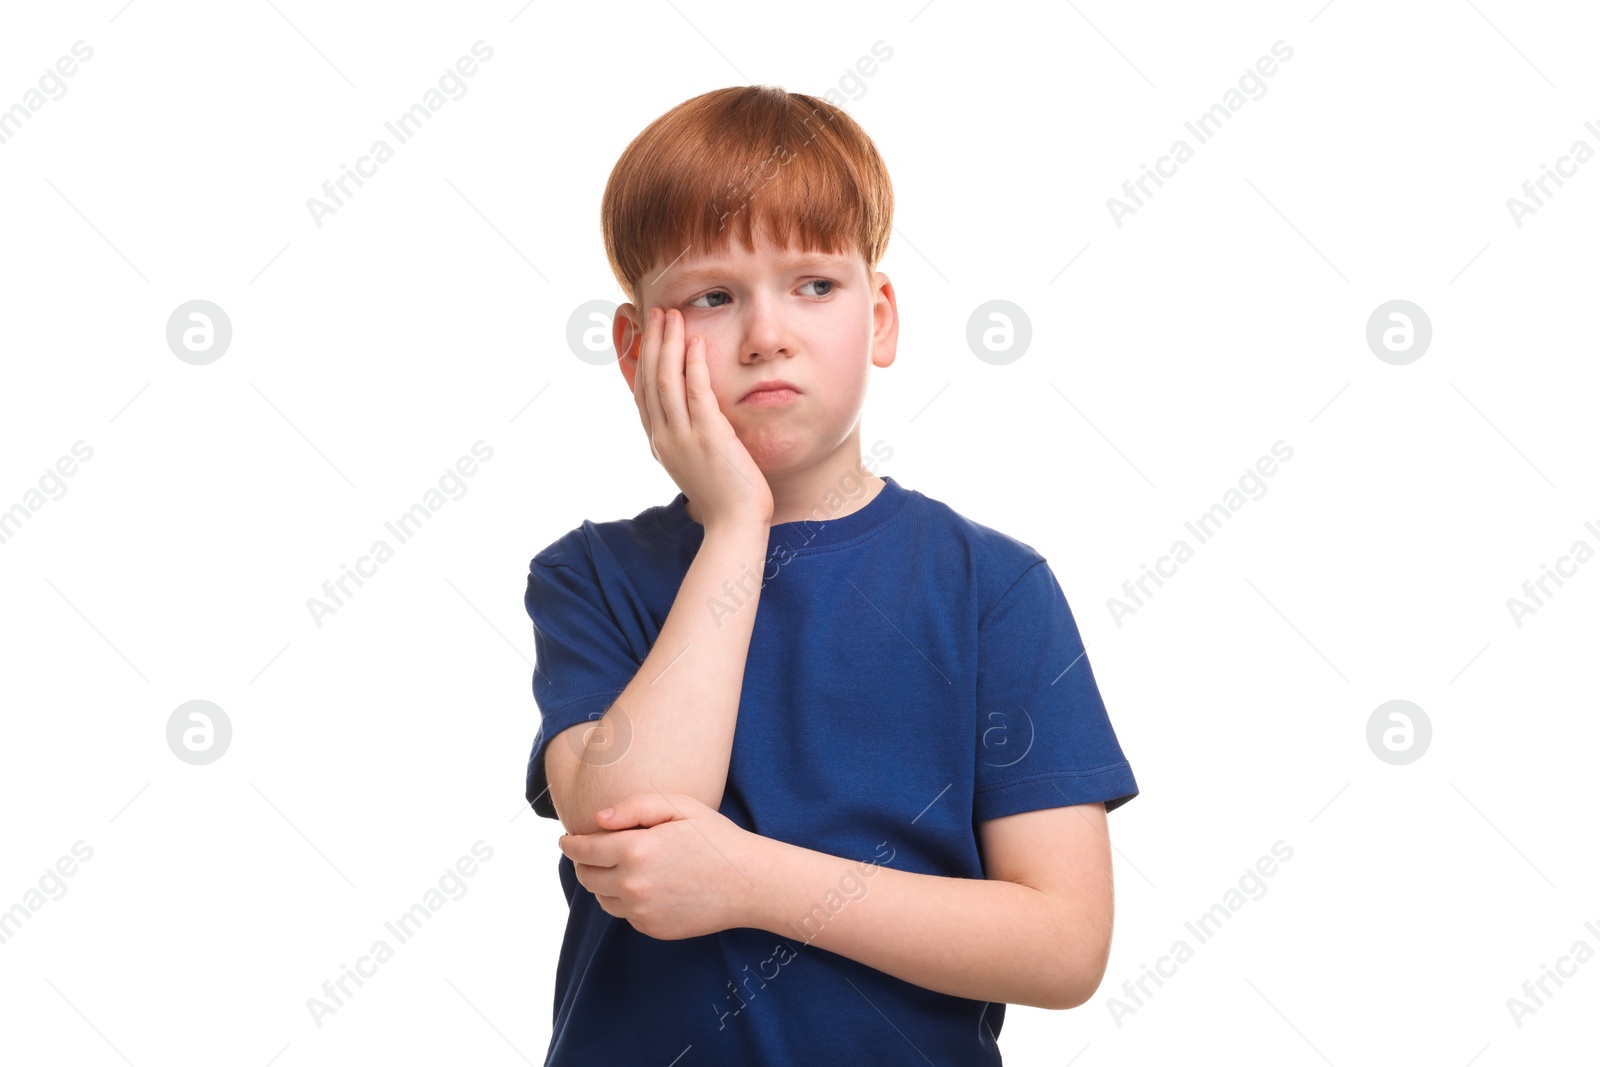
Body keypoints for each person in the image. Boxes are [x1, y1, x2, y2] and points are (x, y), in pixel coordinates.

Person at [522, 84, 1138, 1065]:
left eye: (813, 283)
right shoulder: (593, 574)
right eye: (712, 296)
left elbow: (1063, 943)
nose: (768, 332)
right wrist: (735, 523)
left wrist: (750, 878)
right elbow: (622, 824)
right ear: (638, 349)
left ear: (880, 316)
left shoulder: (991, 587)